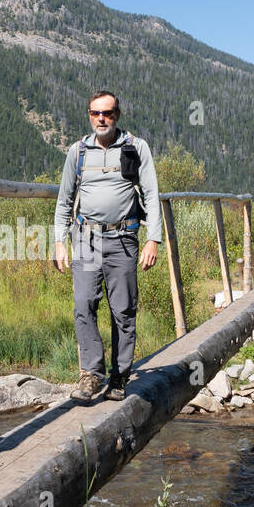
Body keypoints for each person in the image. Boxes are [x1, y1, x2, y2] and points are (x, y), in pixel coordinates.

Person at [53, 90, 161, 401]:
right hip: (85, 240)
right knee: (84, 304)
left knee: (123, 311)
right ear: (89, 115)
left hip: (124, 240)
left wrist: (152, 238)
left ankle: (120, 376)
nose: (102, 119)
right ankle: (91, 375)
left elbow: (152, 196)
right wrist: (60, 241)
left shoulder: (136, 148)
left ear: (117, 115)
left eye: (108, 113)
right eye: (96, 113)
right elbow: (64, 201)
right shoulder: (78, 152)